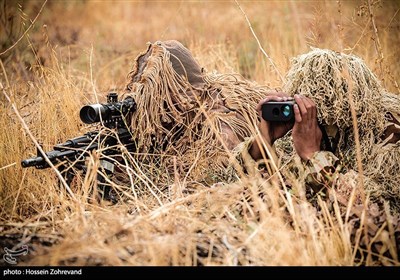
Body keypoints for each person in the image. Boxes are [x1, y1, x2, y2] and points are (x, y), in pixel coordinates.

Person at [122, 40, 399, 260]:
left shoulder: (387, 144)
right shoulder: (312, 138)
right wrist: (262, 142)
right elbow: (238, 183)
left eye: (314, 116)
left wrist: (314, 156)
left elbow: (373, 222)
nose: (304, 122)